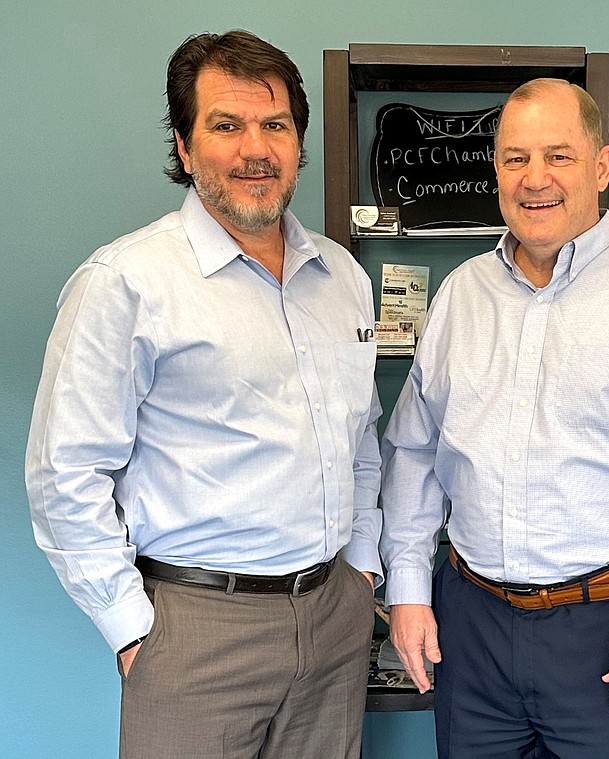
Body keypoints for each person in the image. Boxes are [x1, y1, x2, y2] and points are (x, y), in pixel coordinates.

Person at [25, 30, 382, 759]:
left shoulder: (342, 277)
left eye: (275, 125)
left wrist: (364, 567)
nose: (256, 149)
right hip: (193, 630)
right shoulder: (126, 281)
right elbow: (64, 473)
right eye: (227, 125)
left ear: (299, 141)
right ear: (186, 149)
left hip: (333, 622)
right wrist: (131, 630)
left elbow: (361, 441)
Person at [379, 78, 609, 758]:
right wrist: (406, 588)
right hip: (472, 625)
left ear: (601, 166)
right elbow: (415, 455)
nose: (534, 178)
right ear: (495, 171)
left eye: (558, 156)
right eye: (515, 158)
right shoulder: (460, 296)